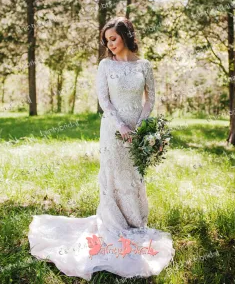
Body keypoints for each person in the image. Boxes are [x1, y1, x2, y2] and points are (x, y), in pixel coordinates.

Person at [28, 16, 175, 281]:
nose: (110, 44)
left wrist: (140, 127)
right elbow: (104, 101)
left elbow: (150, 99)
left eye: (114, 38)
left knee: (133, 176)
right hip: (113, 129)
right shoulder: (105, 65)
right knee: (113, 175)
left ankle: (135, 221)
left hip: (137, 131)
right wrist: (121, 126)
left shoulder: (144, 65)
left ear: (126, 36)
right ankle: (114, 223)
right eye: (107, 40)